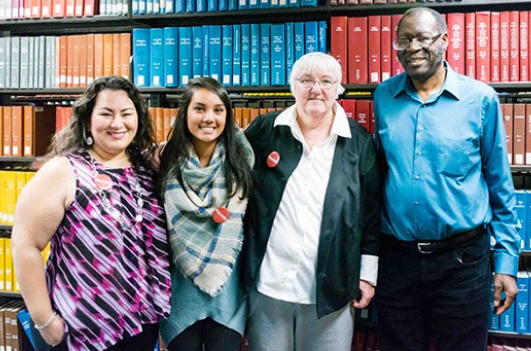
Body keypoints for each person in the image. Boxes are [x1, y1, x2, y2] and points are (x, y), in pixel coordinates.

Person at [373, 7, 520, 351]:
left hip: (462, 263)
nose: (412, 48)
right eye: (403, 40)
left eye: (422, 38)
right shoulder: (383, 96)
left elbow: (499, 182)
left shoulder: (480, 99)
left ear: (445, 40)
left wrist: (508, 262)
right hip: (397, 261)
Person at [11, 76, 171, 351]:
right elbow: (25, 245)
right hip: (77, 330)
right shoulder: (63, 171)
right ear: (87, 120)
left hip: (140, 327)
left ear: (139, 120)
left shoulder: (146, 169)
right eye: (106, 114)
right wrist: (44, 320)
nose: (117, 123)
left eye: (126, 114)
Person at [242, 52, 382, 351]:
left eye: (326, 81)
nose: (316, 89)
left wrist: (367, 277)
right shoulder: (264, 131)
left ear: (338, 88)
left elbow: (371, 213)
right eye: (306, 80)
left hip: (332, 289)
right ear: (292, 86)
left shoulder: (358, 142)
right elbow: (223, 165)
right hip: (268, 286)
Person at [157, 77, 254, 351]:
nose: (208, 118)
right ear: (184, 113)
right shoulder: (163, 162)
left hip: (229, 297)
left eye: (218, 109)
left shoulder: (244, 161)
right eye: (199, 108)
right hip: (179, 297)